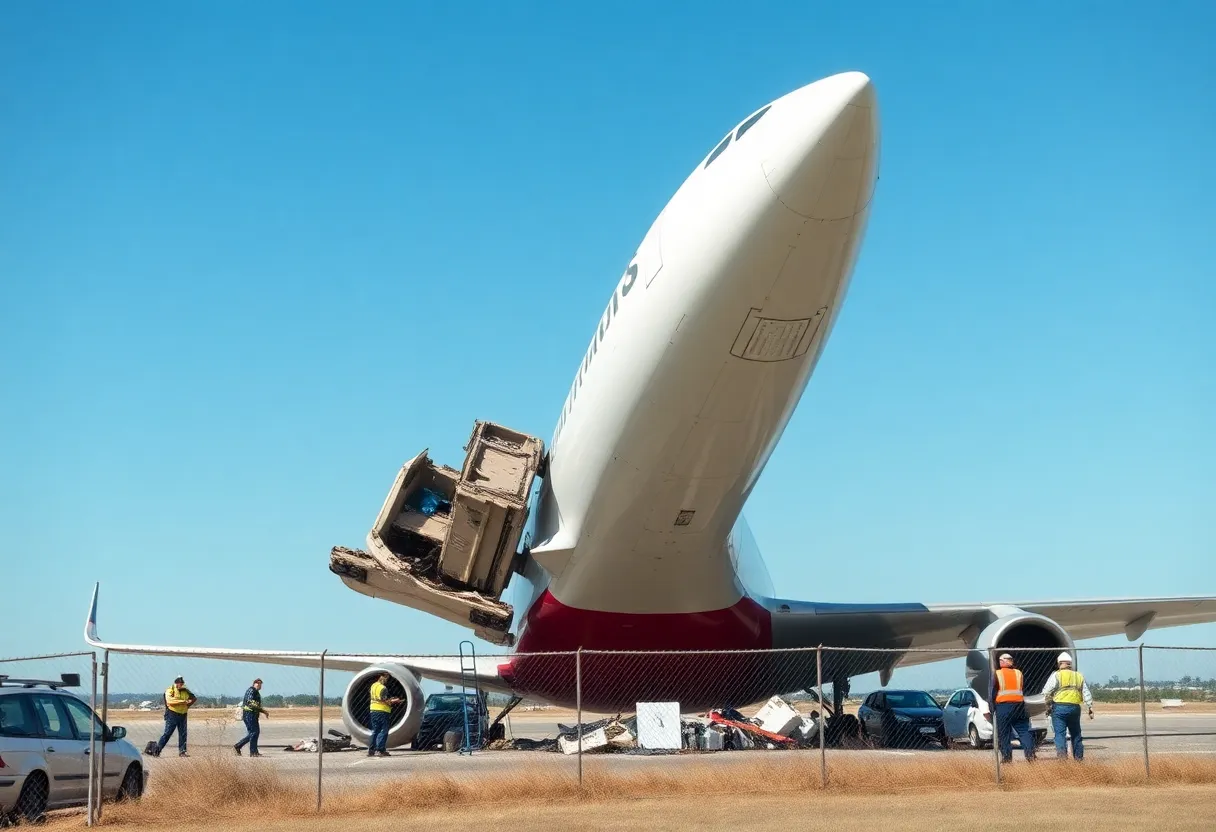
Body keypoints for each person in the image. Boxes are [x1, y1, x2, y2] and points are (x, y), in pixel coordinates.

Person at [1041, 652, 1093, 760]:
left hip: (1059, 708)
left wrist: (1047, 706)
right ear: (1070, 663)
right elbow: (1086, 692)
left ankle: (1062, 759)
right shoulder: (1078, 675)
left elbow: (1046, 692)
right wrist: (1090, 707)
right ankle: (1079, 758)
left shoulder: (1056, 675)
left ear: (1059, 663)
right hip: (1075, 708)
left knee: (1060, 735)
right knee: (1076, 734)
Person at [985, 653, 1035, 763]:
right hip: (1019, 706)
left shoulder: (997, 674)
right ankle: (1030, 755)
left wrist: (992, 708)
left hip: (1003, 706)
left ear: (1002, 662)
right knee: (1024, 731)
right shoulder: (1018, 673)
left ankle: (1007, 758)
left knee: (1004, 734)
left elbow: (992, 692)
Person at [155, 676, 197, 757]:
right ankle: (157, 751)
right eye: (180, 684)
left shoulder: (186, 690)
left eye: (182, 684)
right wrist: (183, 702)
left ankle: (182, 752)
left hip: (183, 714)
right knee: (167, 733)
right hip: (172, 714)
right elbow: (170, 701)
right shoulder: (170, 690)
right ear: (176, 683)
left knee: (183, 734)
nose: (181, 685)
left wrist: (188, 705)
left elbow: (194, 698)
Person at [368, 672, 402, 757]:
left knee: (375, 731)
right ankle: (380, 750)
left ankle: (371, 750)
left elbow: (376, 698)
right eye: (386, 678)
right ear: (383, 677)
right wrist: (394, 701)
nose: (387, 680)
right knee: (383, 731)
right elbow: (384, 700)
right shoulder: (383, 688)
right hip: (382, 711)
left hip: (373, 710)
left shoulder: (373, 686)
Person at [234, 678, 270, 757]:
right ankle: (239, 746)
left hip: (252, 715)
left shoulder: (255, 692)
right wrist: (263, 711)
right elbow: (251, 703)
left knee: (254, 733)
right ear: (255, 684)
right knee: (254, 733)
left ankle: (253, 752)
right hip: (249, 714)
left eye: (261, 684)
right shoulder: (251, 690)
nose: (260, 686)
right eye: (258, 684)